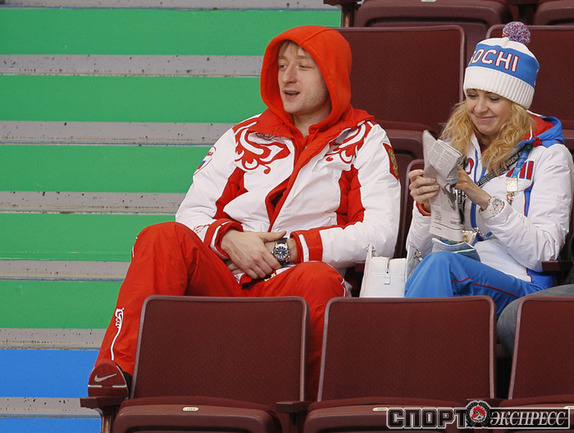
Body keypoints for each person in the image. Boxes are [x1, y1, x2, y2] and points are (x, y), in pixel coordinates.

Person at [87, 25, 401, 400]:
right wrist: (230, 240)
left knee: (319, 279)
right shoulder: (243, 135)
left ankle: (308, 407)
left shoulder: (365, 139)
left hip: (294, 284)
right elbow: (191, 215)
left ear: (332, 75)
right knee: (161, 237)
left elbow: (380, 235)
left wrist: (289, 249)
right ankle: (119, 372)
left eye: (303, 66)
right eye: (282, 65)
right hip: (225, 280)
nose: (288, 76)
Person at [404, 22, 574, 317]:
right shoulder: (451, 146)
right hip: (452, 275)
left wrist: (481, 197)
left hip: (521, 284)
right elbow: (416, 259)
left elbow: (545, 252)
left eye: (493, 99)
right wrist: (425, 210)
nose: (479, 108)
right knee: (435, 266)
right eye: (472, 95)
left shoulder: (550, 156)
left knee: (443, 266)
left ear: (517, 104)